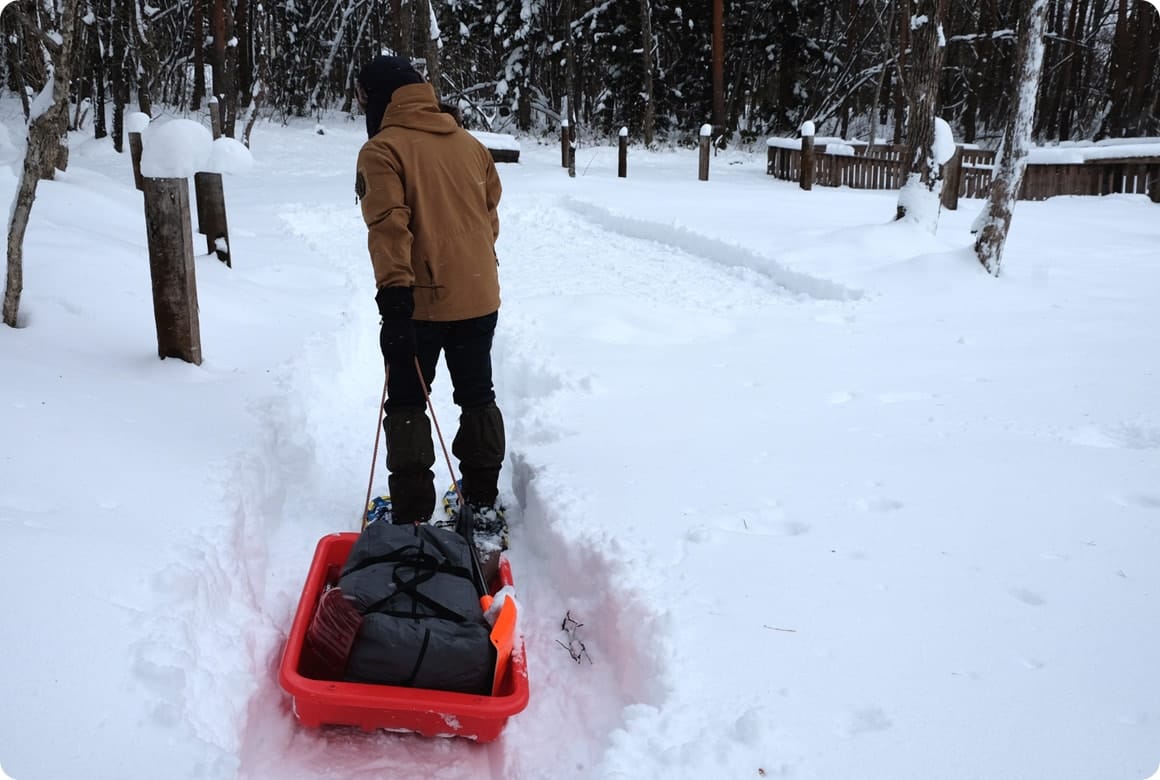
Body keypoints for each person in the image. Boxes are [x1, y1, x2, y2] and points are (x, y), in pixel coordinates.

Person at [354, 55, 506, 546]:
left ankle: (413, 515)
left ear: (378, 98)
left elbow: (388, 227)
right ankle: (482, 505)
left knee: (406, 401)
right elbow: (489, 220)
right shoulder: (472, 146)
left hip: (416, 304)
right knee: (477, 395)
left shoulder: (383, 150)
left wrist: (394, 297)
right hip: (479, 294)